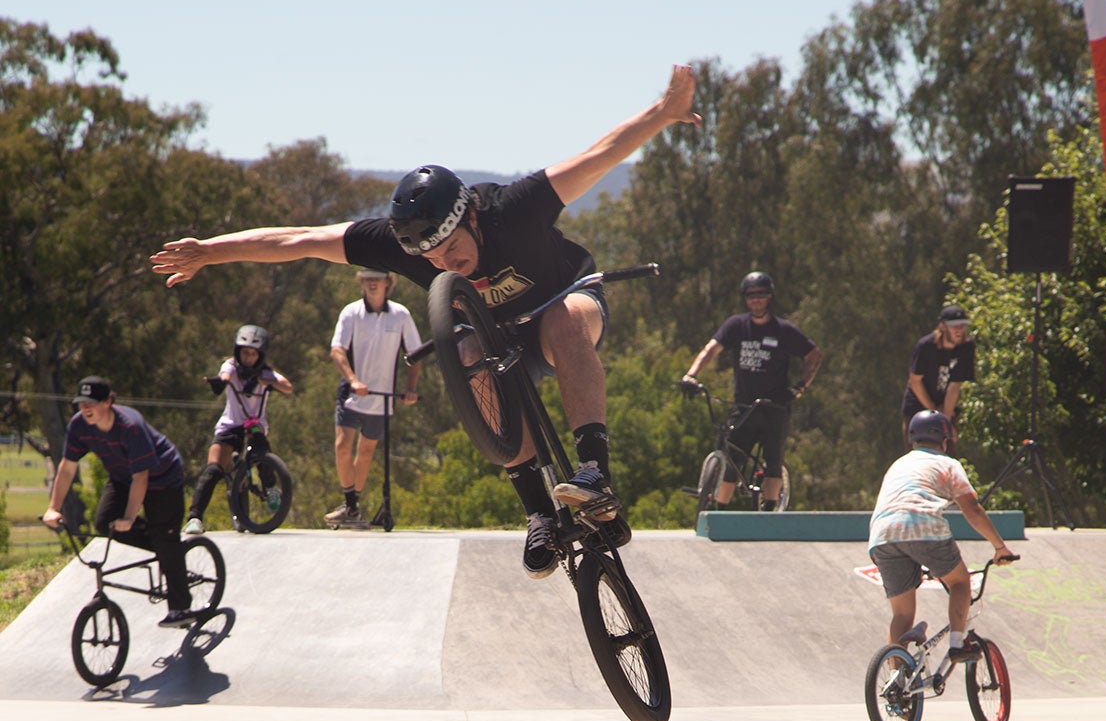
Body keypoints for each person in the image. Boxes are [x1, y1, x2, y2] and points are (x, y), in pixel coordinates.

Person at [151, 66, 701, 577]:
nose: (445, 262)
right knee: (466, 357)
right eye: (432, 258)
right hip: (497, 334)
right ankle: (538, 512)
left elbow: (599, 156)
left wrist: (662, 112)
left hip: (566, 300)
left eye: (452, 249)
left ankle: (593, 473)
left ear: (471, 218)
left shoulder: (515, 207)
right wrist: (209, 252)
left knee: (561, 318)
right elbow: (298, 241)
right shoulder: (405, 245)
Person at [42, 377, 194, 626]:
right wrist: (53, 508)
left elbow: (141, 478)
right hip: (123, 476)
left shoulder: (130, 426)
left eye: (92, 403)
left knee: (163, 536)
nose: (86, 409)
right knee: (105, 523)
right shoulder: (80, 426)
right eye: (81, 404)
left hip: (162, 478)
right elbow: (67, 468)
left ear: (109, 402)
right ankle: (166, 547)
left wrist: (130, 517)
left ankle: (181, 608)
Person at [869, 410, 1018, 658]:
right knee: (960, 582)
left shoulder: (898, 464)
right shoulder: (948, 464)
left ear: (912, 440)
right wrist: (1000, 547)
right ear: (945, 441)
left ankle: (896, 687)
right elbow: (972, 510)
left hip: (882, 534)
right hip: (922, 526)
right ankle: (957, 644)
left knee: (902, 615)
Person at [681, 271, 822, 510]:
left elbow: (814, 356)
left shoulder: (783, 330)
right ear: (745, 298)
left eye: (761, 294)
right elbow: (711, 350)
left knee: (773, 460)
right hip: (744, 406)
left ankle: (769, 509)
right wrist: (691, 375)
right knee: (733, 458)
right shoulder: (737, 325)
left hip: (775, 406)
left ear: (769, 297)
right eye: (750, 295)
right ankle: (721, 511)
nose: (756, 299)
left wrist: (800, 388)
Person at [326, 269, 422, 529]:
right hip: (352, 395)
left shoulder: (400, 315)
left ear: (388, 281)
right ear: (361, 281)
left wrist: (410, 388)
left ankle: (353, 507)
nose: (372, 283)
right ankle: (350, 502)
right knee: (342, 445)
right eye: (367, 278)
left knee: (366, 451)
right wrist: (353, 379)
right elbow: (337, 351)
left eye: (376, 278)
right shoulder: (351, 313)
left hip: (382, 397)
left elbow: (415, 354)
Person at [184, 324, 293, 535]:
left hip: (254, 426)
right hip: (230, 425)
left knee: (262, 451)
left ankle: (271, 488)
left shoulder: (266, 373)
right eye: (245, 353)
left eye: (253, 354)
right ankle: (195, 518)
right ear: (237, 352)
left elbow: (287, 387)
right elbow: (224, 376)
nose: (248, 358)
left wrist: (268, 380)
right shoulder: (231, 367)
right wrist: (219, 382)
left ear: (260, 355)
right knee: (213, 469)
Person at [901, 303, 975, 446]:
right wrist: (934, 411)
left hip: (945, 406)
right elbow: (915, 381)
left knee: (948, 453)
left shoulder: (966, 347)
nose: (959, 330)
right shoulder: (926, 346)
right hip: (918, 406)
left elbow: (955, 385)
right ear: (942, 326)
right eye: (954, 326)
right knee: (917, 454)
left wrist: (945, 420)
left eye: (962, 325)